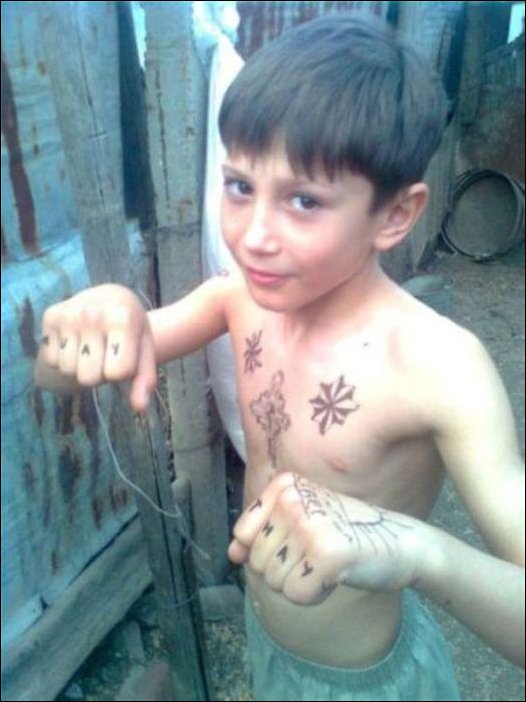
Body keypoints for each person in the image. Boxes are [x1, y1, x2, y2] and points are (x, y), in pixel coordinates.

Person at [35, 14, 524, 702]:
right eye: (240, 186)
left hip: (363, 684)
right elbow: (57, 376)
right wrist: (100, 317)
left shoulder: (441, 368)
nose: (254, 236)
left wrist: (422, 550)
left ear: (394, 215)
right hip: (268, 641)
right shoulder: (236, 298)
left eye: (303, 200)